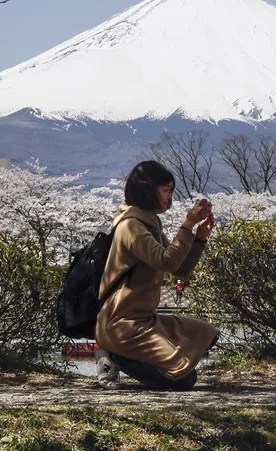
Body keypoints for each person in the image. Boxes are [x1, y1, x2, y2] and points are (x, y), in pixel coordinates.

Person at [94, 160, 219, 391]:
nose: (169, 197)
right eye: (165, 190)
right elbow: (166, 261)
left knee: (206, 335)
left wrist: (199, 237)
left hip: (145, 319)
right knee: (184, 380)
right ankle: (116, 355)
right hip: (122, 324)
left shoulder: (150, 223)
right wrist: (188, 223)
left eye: (170, 190)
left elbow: (178, 269)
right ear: (147, 190)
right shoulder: (131, 226)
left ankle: (126, 356)